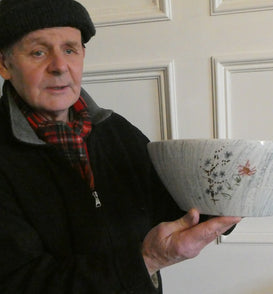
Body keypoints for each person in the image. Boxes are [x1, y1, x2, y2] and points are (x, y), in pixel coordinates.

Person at [0, 0, 241, 293]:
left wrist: (231, 193)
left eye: (69, 49)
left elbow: (171, 203)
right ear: (4, 64)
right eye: (38, 52)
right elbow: (17, 282)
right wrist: (147, 260)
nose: (60, 66)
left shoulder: (115, 130)